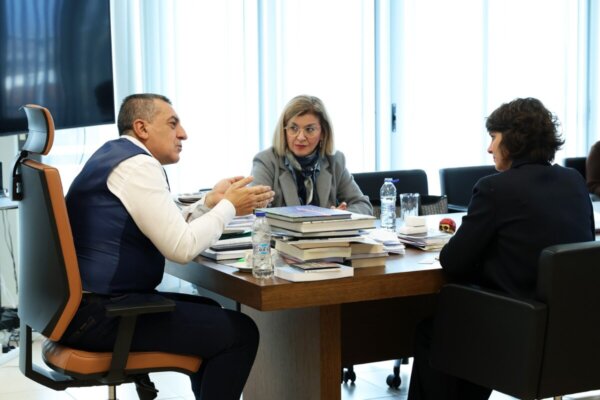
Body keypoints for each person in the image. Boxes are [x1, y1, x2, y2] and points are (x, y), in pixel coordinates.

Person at [62, 93, 275, 400]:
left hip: (87, 310)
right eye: (173, 124)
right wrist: (229, 206)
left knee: (211, 310)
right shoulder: (138, 165)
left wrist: (210, 203)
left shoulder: (115, 157)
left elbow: (167, 227)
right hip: (104, 317)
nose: (183, 134)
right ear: (142, 128)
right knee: (241, 333)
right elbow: (181, 247)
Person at [407, 97, 595, 400]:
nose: (489, 148)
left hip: (515, 331)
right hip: (571, 332)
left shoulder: (495, 188)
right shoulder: (573, 181)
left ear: (513, 140)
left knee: (438, 331)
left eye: (493, 137)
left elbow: (453, 262)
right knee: (466, 327)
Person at [250, 94, 373, 215]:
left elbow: (363, 205)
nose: (301, 137)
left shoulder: (335, 161)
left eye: (309, 129)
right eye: (293, 128)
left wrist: (340, 216)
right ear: (284, 130)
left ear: (323, 133)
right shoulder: (267, 161)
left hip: (327, 229)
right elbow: (252, 209)